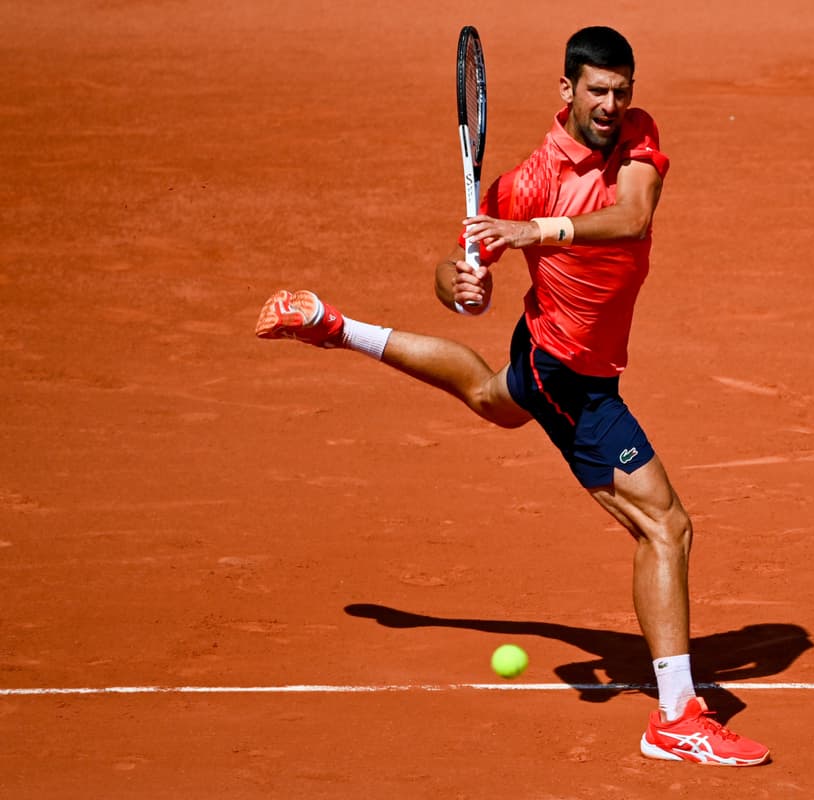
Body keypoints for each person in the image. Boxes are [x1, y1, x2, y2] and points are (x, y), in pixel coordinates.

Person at [255, 26, 769, 767]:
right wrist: (463, 284)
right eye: (597, 90)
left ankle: (331, 325)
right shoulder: (527, 180)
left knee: (496, 399)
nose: (612, 104)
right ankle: (676, 715)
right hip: (571, 374)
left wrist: (534, 233)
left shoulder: (635, 139)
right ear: (567, 91)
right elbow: (455, 268)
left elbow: (633, 218)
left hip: (557, 356)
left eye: (622, 90)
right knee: (666, 526)